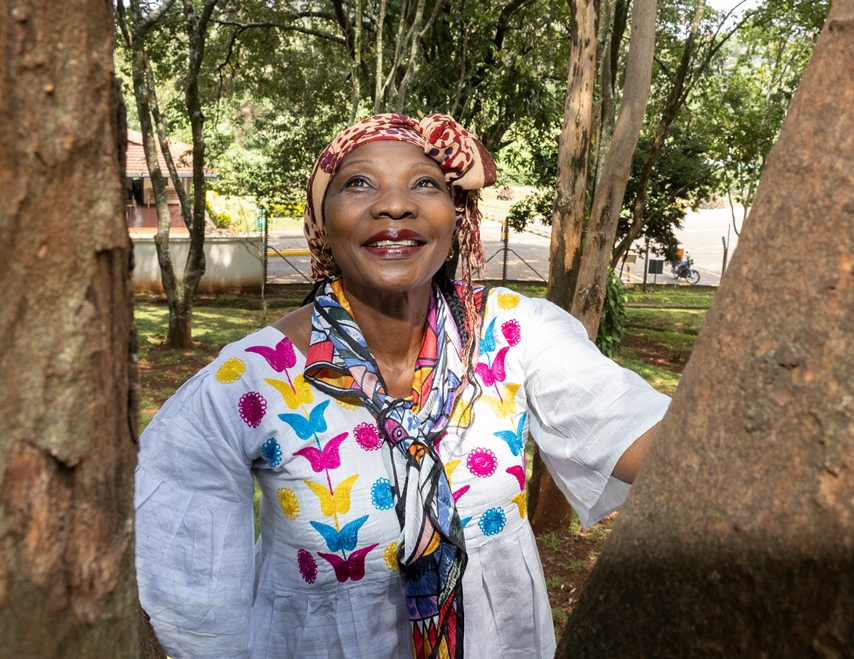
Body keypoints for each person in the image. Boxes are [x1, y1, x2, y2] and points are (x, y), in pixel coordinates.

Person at [135, 113, 670, 659]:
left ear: (456, 216)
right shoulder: (252, 380)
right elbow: (183, 566)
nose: (395, 204)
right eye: (359, 183)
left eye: (425, 183)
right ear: (322, 222)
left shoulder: (514, 333)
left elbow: (648, 440)